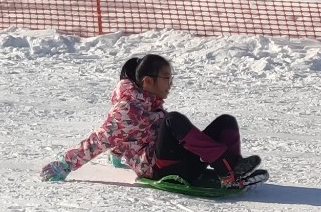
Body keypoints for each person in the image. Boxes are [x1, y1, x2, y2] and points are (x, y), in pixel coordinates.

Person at [39, 54, 261, 188]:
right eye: (166, 78)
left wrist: (117, 155)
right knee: (173, 120)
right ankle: (227, 169)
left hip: (177, 163)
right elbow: (99, 139)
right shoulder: (127, 109)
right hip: (158, 169)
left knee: (226, 122)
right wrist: (65, 164)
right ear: (144, 81)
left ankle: (233, 166)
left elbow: (125, 138)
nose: (170, 84)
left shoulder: (150, 102)